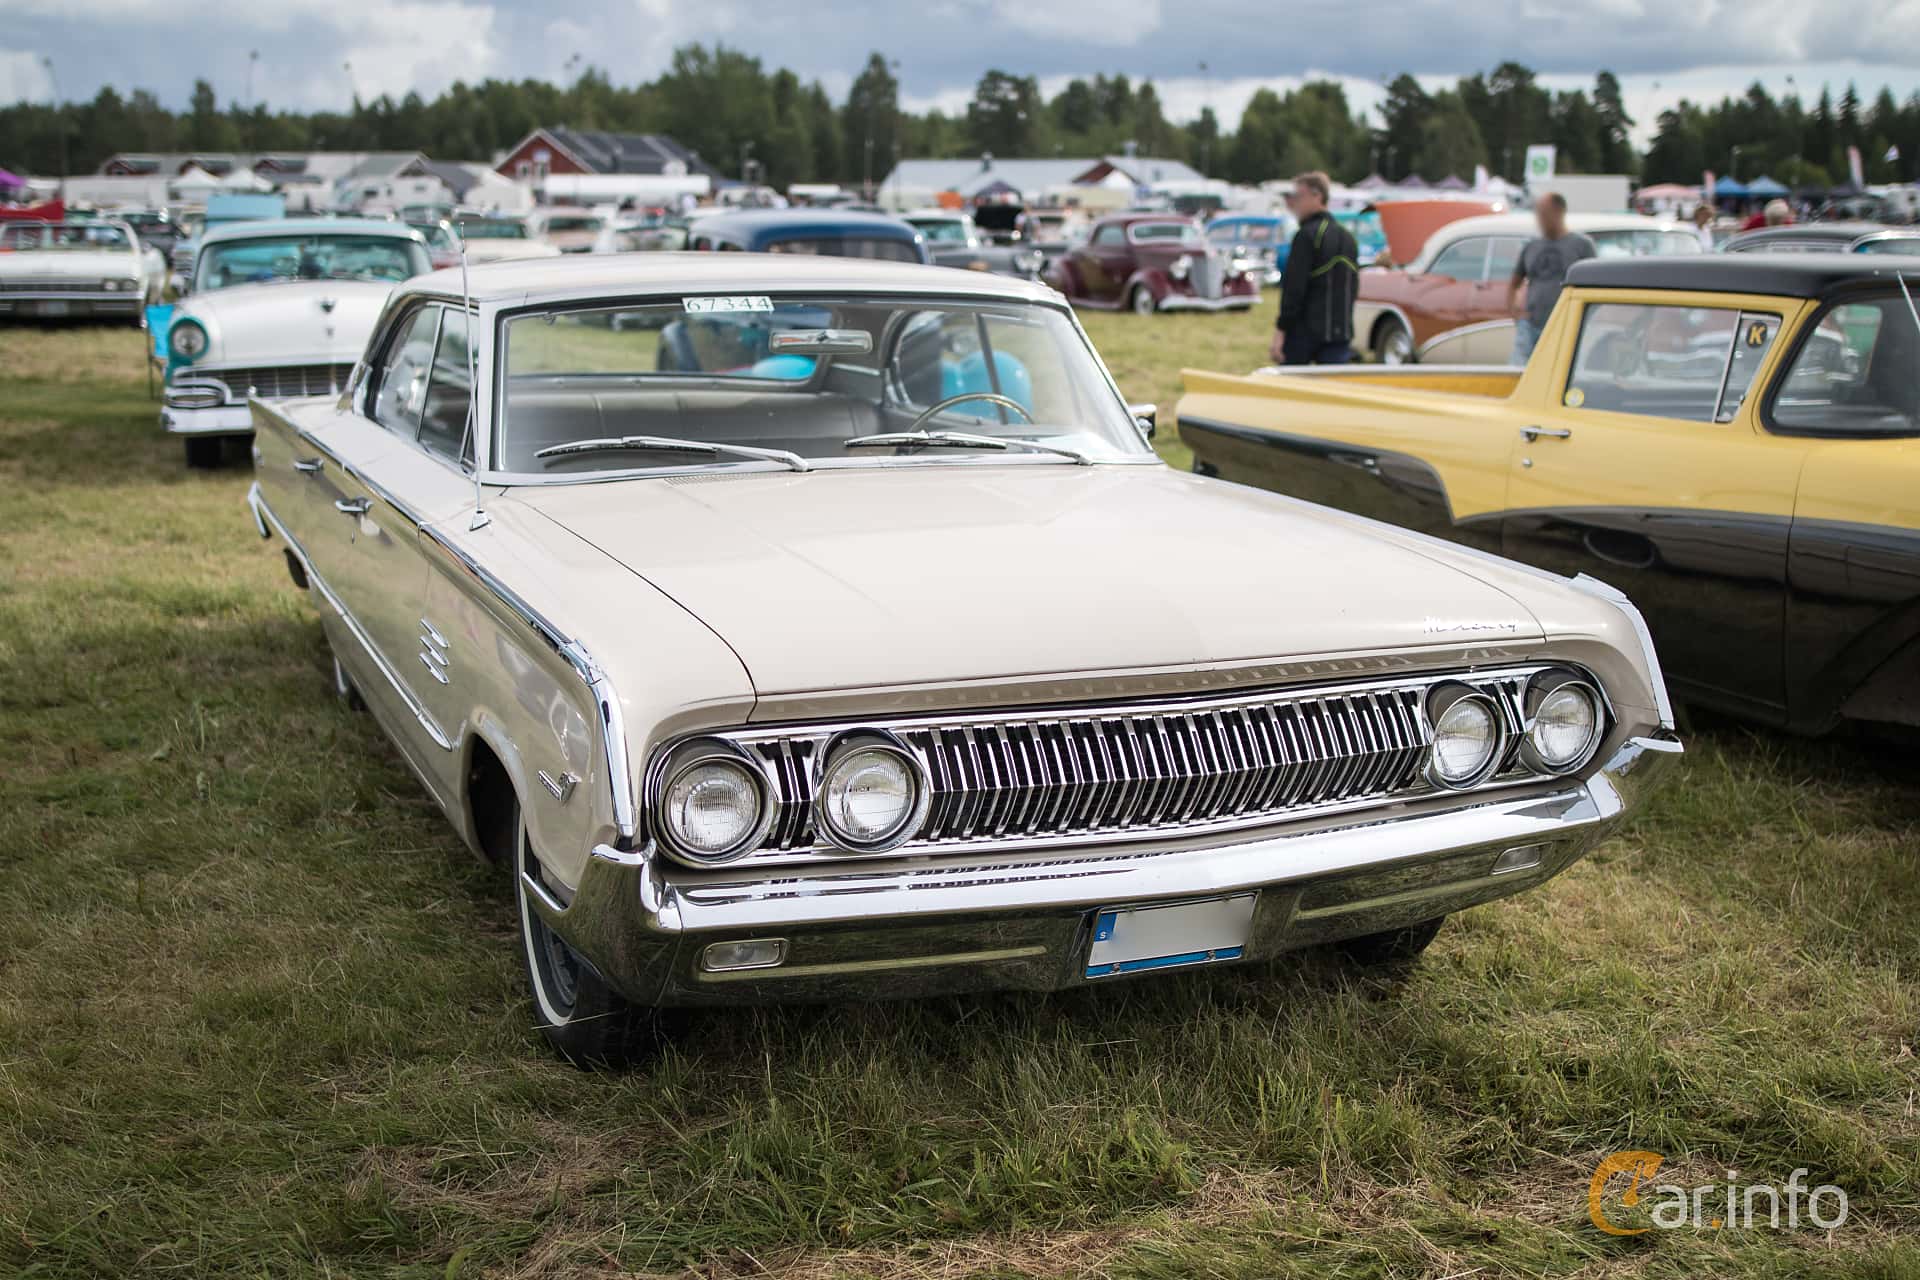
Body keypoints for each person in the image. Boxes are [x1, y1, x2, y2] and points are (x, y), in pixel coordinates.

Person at [1269, 171, 1359, 366]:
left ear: (1317, 195)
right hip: (1340, 333)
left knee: (1291, 384)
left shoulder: (1307, 235)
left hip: (1305, 334)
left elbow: (1294, 288)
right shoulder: (1347, 237)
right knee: (1331, 386)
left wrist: (1281, 330)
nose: (1294, 203)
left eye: (1299, 196)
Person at [1506, 192, 1595, 365]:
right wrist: (1515, 313)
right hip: (1531, 325)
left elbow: (1594, 284)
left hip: (1566, 325)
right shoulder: (1531, 246)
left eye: (1544, 213)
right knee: (1518, 370)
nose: (1540, 219)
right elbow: (1514, 284)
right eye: (1538, 214)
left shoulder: (1582, 245)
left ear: (1559, 211)